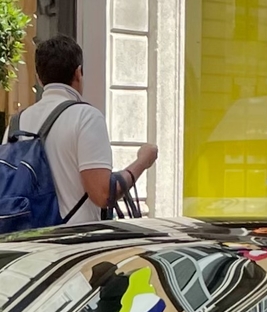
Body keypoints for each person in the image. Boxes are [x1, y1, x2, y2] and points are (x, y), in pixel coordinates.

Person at [10, 35, 158, 222]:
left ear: (39, 78)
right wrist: (143, 161)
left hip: (26, 239)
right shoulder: (86, 117)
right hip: (72, 241)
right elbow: (103, 194)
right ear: (78, 73)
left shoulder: (16, 123)